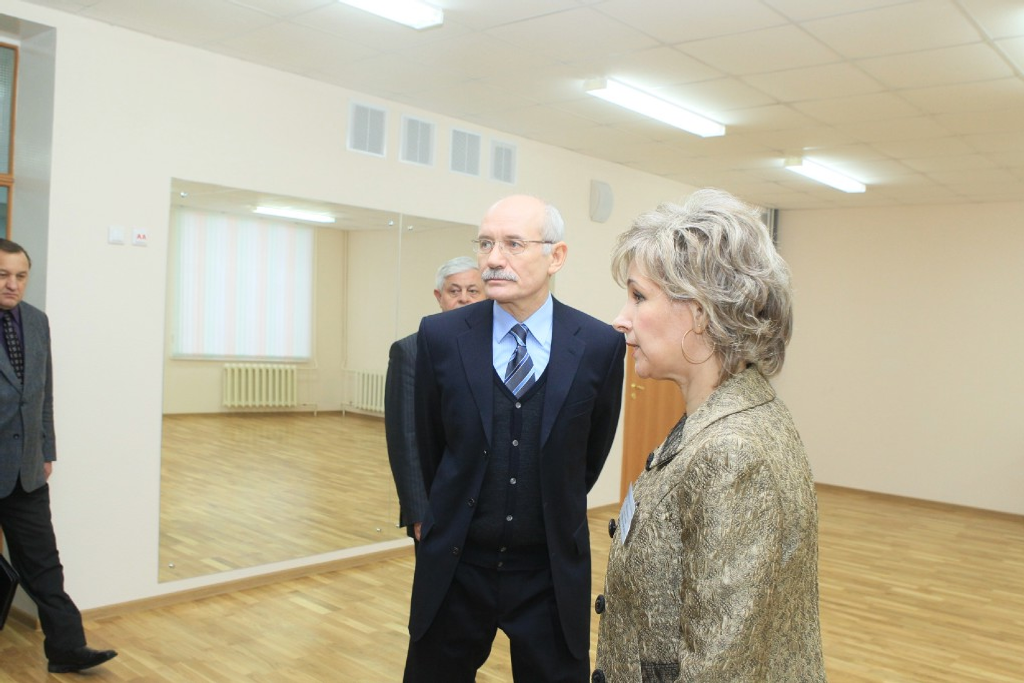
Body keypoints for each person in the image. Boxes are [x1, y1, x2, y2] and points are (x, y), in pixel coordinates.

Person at [592, 189, 826, 682]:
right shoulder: (731, 413)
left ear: (700, 311)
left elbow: (719, 667)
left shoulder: (731, 452)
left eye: (638, 296)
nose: (621, 318)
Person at [404, 196, 626, 682]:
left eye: (513, 244)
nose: (493, 259)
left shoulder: (598, 346)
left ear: (556, 256)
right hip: (457, 568)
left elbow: (587, 458)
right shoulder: (440, 337)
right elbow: (431, 445)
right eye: (485, 244)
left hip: (548, 573)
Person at [0, 239, 118, 674]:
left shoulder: (36, 321)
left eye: (20, 276)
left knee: (44, 566)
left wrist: (47, 449)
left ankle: (67, 648)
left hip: (26, 470)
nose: (13, 284)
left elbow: (43, 392)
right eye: (2, 275)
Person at [385, 256, 485, 542]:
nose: (464, 298)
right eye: (454, 291)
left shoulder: (502, 349)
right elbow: (405, 439)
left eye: (473, 291)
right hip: (438, 503)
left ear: (487, 296)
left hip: (490, 506)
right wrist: (418, 512)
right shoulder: (410, 352)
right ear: (439, 297)